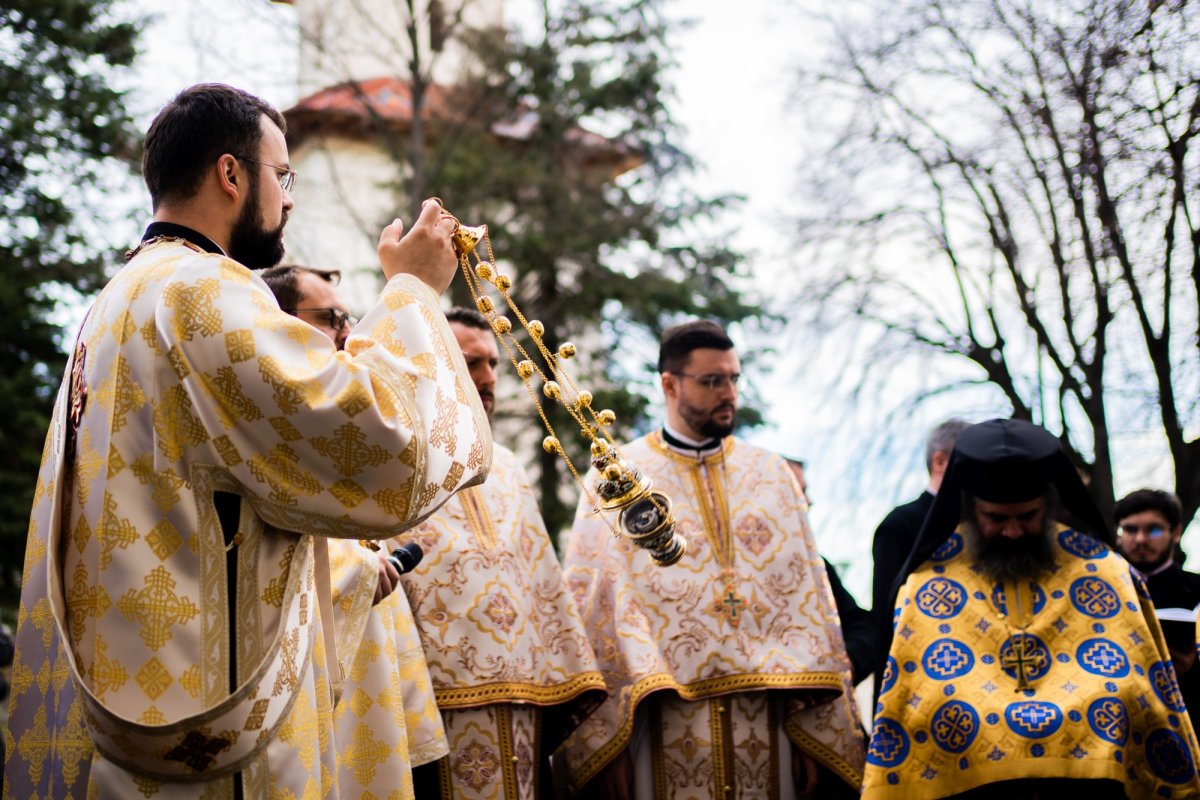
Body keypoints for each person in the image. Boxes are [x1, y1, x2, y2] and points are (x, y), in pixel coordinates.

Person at [4, 83, 491, 798]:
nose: (288, 200)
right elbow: (378, 442)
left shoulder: (117, 300)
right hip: (209, 728)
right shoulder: (201, 290)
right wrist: (412, 292)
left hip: (132, 714)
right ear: (231, 174)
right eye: (282, 176)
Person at [561, 320, 865, 799]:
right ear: (670, 385)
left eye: (734, 379)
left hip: (769, 722)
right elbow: (595, 613)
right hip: (660, 725)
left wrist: (813, 729)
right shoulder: (618, 480)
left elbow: (808, 608)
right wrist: (606, 744)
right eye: (712, 381)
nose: (729, 393)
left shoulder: (772, 476)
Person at [864, 418, 1200, 799]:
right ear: (972, 509)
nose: (1012, 531)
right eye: (996, 518)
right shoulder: (929, 583)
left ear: (1049, 506)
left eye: (1027, 517)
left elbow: (1138, 688)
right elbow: (914, 696)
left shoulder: (1102, 571)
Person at [389, 306, 606, 799]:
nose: (488, 378)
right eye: (472, 363)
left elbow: (543, 584)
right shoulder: (394, 459)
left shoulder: (507, 466)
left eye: (493, 364)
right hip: (429, 710)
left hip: (525, 703)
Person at [261, 263, 453, 794]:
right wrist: (357, 567)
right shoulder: (270, 421)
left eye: (349, 317)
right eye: (331, 318)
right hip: (309, 687)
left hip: (371, 671)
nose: (347, 333)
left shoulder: (339, 428)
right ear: (281, 321)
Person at [871, 418, 969, 692]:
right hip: (918, 678)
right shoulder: (900, 525)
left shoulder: (982, 526)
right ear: (940, 461)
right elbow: (886, 618)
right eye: (969, 462)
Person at [1114, 489, 1200, 733]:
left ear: (1176, 532)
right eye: (1130, 529)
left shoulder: (1196, 589)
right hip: (1120, 722)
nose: (1141, 539)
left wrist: (1192, 666)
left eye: (1153, 530)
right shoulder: (1100, 592)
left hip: (1188, 720)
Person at [786, 457, 878, 685]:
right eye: (799, 492)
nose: (809, 501)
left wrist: (848, 664)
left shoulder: (817, 566)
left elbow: (861, 627)